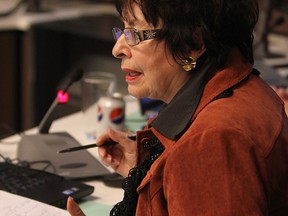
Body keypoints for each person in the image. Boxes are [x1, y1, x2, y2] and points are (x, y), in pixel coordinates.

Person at [67, 0, 288, 215]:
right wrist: (151, 168)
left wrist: (187, 166)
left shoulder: (210, 143)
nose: (118, 49)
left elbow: (209, 163)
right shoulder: (245, 86)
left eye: (135, 34)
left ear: (193, 43)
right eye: (122, 31)